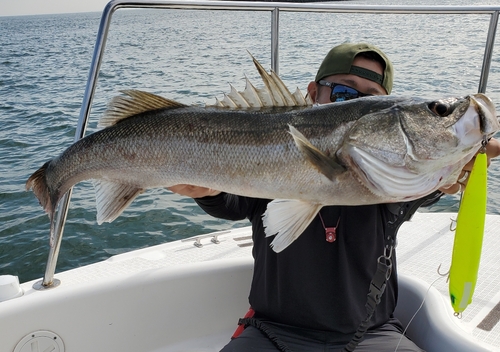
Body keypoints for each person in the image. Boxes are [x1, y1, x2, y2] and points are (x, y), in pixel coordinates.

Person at [169, 43, 500, 351]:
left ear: (383, 113)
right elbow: (232, 202)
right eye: (343, 92)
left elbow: (431, 179)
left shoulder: (403, 176)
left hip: (372, 334)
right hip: (271, 332)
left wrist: (463, 158)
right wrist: (206, 190)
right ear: (314, 93)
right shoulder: (273, 148)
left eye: (367, 100)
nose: (353, 103)